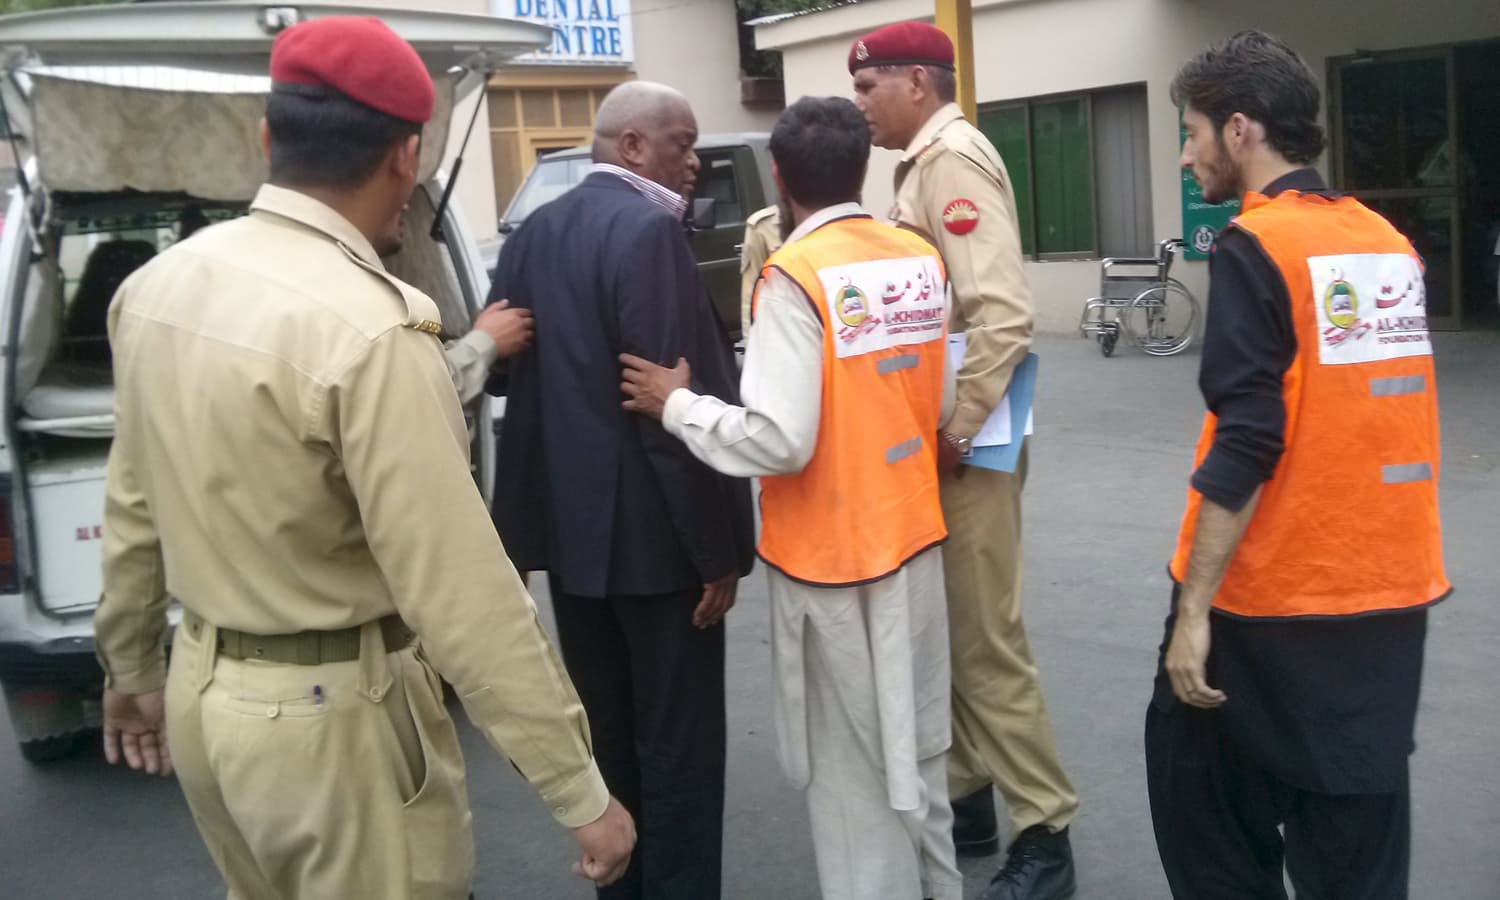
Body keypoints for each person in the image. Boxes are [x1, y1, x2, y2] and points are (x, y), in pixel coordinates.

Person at [93, 17, 635, 899]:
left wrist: (128, 666)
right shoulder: (371, 330)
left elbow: (133, 505)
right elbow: (460, 592)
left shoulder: (157, 289)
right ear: (405, 156)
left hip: (203, 694)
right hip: (334, 728)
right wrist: (576, 786)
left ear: (266, 139)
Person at [622, 95, 962, 900]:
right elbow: (942, 401)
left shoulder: (793, 279)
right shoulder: (917, 257)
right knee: (916, 757)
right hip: (913, 544)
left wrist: (677, 405)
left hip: (832, 566)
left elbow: (778, 439)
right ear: (861, 166)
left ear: (779, 176)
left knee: (852, 786)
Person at [1146, 31, 1449, 900]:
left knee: (1203, 814)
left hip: (1273, 599)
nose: (1187, 154)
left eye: (1193, 132)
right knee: (1357, 845)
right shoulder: (1386, 242)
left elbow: (1248, 439)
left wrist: (1194, 612)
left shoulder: (1257, 245)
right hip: (1389, 594)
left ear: (1241, 130)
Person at [487, 81, 755, 900]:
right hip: (660, 550)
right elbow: (667, 411)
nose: (695, 161)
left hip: (572, 549)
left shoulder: (534, 232)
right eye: (683, 143)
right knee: (680, 753)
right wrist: (718, 551)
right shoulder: (648, 231)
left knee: (609, 742)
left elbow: (504, 376)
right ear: (633, 146)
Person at [849, 21, 1078, 900]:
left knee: (985, 639)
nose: (860, 103)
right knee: (951, 628)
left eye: (869, 85)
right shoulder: (922, 163)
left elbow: (1002, 313)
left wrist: (956, 428)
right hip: (952, 442)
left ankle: (1045, 830)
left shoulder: (950, 161)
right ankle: (969, 793)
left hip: (968, 445)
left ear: (917, 82)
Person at [739, 203, 781, 336]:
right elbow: (751, 288)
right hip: (785, 324)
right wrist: (750, 337)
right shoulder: (762, 225)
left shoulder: (832, 217)